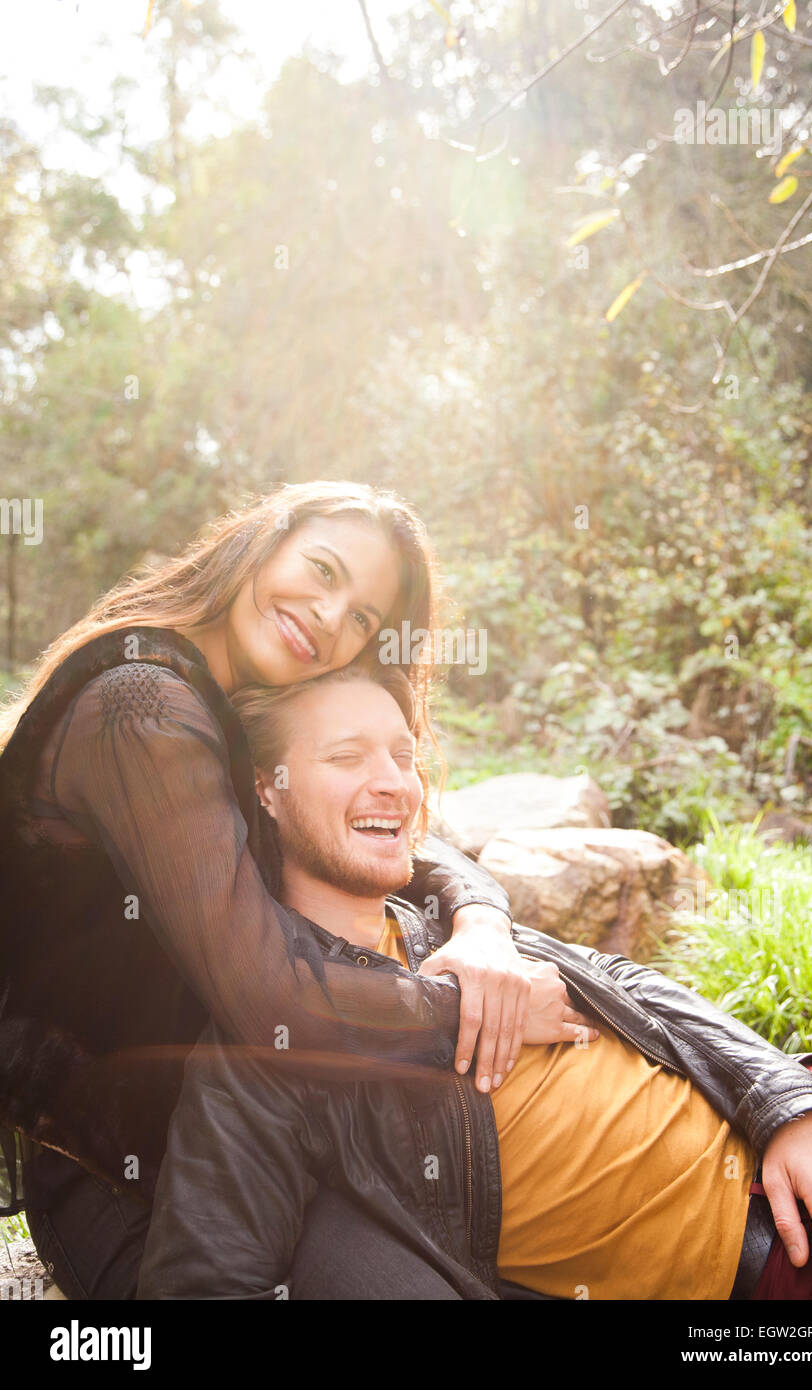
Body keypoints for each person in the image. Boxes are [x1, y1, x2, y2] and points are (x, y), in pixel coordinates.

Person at [0, 480, 574, 1301]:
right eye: (323, 569)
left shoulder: (241, 697)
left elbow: (408, 838)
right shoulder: (143, 705)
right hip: (132, 1173)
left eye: (364, 619)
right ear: (265, 536)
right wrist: (464, 1012)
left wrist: (481, 920)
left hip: (279, 1110)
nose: (330, 617)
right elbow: (275, 1000)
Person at [136, 663, 812, 1301]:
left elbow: (626, 985)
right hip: (780, 1247)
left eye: (402, 754)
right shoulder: (264, 1048)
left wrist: (793, 1105)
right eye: (346, 756)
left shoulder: (443, 917)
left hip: (809, 1110)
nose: (393, 782)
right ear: (268, 788)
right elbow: (202, 1281)